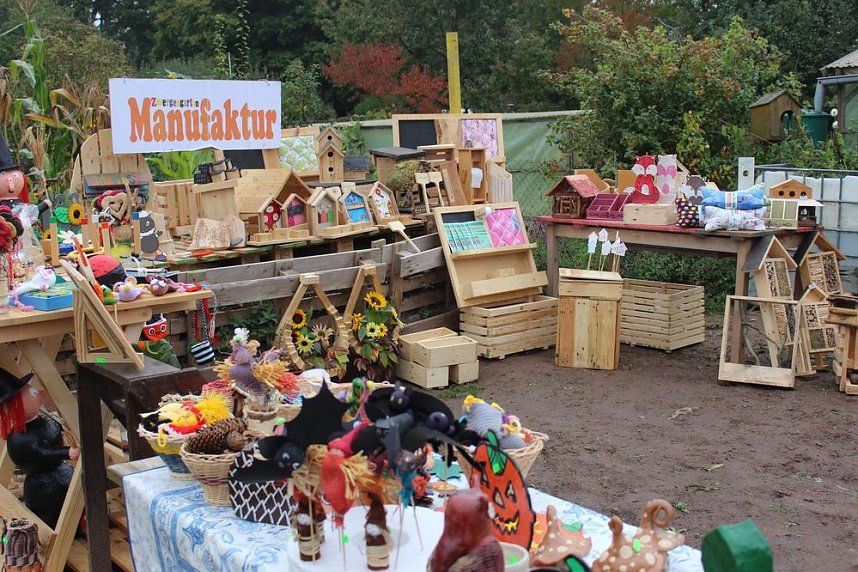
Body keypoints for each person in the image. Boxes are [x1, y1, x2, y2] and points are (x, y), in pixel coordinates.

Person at [0, 368, 79, 528]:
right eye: (30, 392)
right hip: (43, 485)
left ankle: (78, 524)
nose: (35, 392)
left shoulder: (42, 421)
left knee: (72, 502)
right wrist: (66, 452)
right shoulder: (18, 438)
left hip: (61, 472)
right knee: (50, 514)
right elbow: (40, 453)